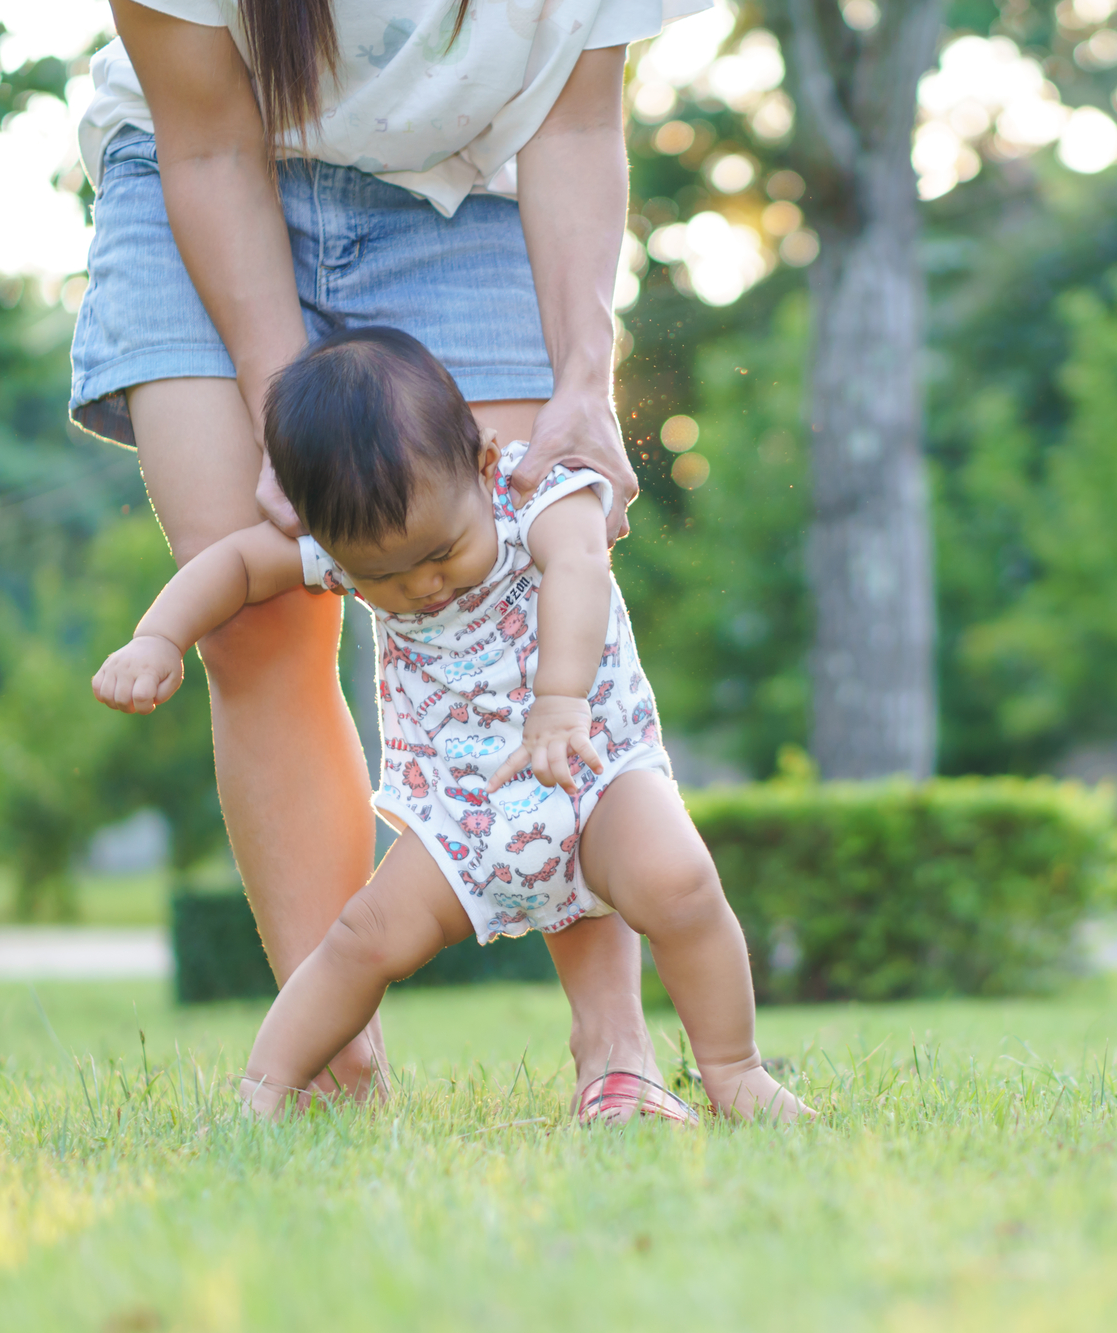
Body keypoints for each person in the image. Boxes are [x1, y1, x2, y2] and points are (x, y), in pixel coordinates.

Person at [69, 0, 703, 1117]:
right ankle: (331, 1061)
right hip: (208, 172)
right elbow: (208, 136)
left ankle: (614, 1049)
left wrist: (582, 382)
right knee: (255, 613)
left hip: (464, 189)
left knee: (515, 601)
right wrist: (283, 411)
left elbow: (573, 122)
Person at [93, 328, 810, 1123]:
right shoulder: (359, 543)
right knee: (361, 937)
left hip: (588, 769)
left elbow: (580, 566)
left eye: (441, 552)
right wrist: (159, 636)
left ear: (481, 460)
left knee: (680, 884)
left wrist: (560, 700)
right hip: (458, 814)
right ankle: (265, 1093)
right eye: (381, 576)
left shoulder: (535, 495)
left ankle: (734, 1069)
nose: (421, 586)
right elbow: (233, 565)